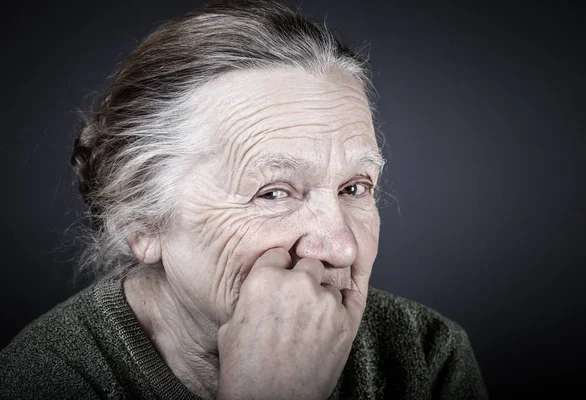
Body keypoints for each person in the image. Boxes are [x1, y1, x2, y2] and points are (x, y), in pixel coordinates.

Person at [0, 0, 489, 398]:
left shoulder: (426, 355)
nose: (342, 248)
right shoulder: (42, 378)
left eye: (354, 187)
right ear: (140, 223)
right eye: (273, 192)